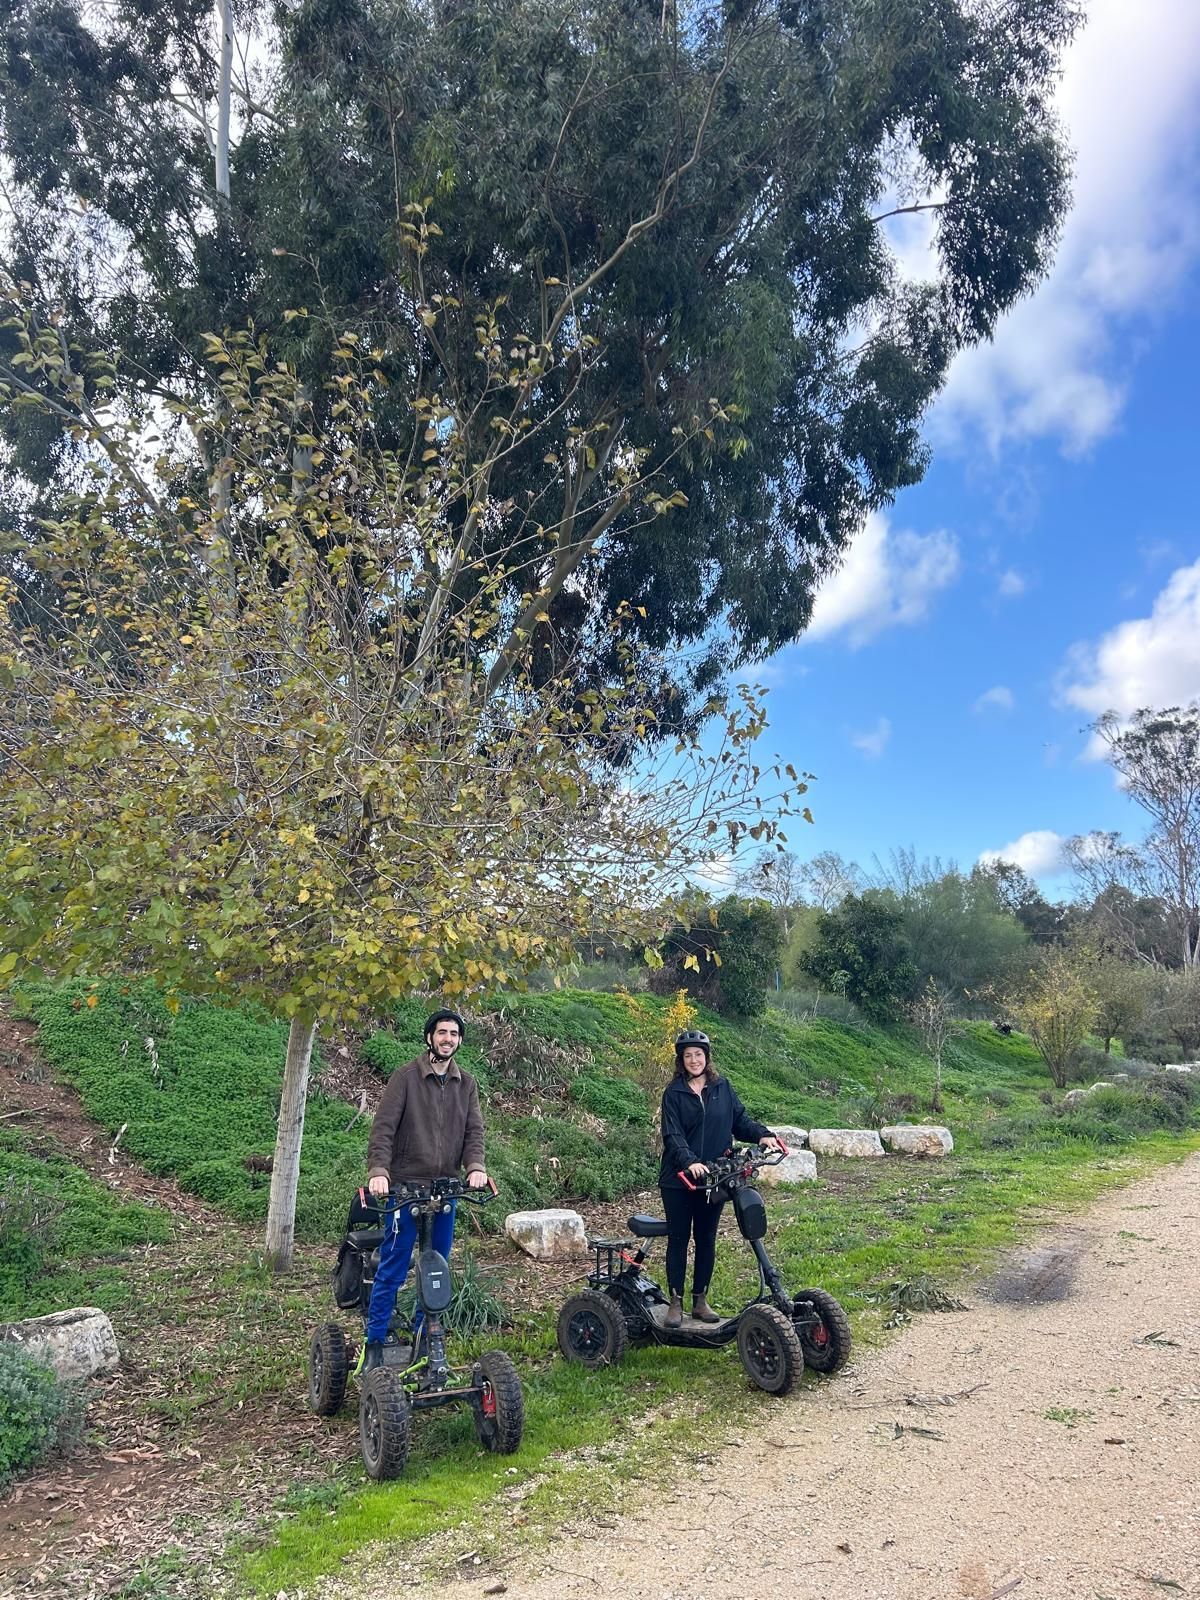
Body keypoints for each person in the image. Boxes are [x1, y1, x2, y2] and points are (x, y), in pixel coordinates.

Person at [354, 1008, 488, 1374]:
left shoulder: (466, 1084)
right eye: (442, 1032)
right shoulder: (406, 1078)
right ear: (429, 1037)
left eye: (454, 1034)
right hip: (406, 1189)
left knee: (436, 1268)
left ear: (459, 1041)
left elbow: (474, 1132)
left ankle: (422, 1341)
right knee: (394, 1267)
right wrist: (379, 1172)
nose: (448, 1039)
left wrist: (476, 1167)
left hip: (445, 1191)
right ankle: (374, 1344)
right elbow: (383, 1129)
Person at [658, 1028, 784, 1329]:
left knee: (706, 1239)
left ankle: (700, 1300)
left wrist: (763, 1134)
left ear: (707, 1057)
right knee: (678, 1239)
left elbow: (739, 1121)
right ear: (681, 1060)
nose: (694, 1060)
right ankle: (675, 1302)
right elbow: (673, 1135)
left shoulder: (722, 1087)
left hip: (713, 1179)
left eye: (698, 1055)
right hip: (679, 1180)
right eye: (688, 1056)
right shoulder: (674, 1093)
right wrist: (690, 1162)